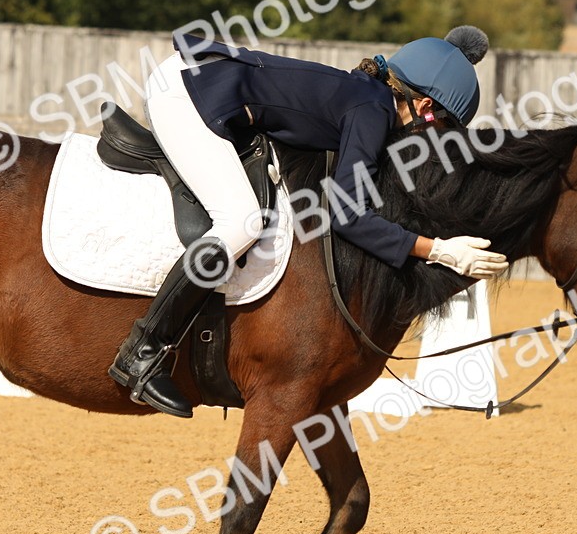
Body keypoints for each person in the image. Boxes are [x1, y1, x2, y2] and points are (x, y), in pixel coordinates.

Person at [108, 26, 510, 417]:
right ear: (425, 108)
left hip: (198, 80)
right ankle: (141, 351)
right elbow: (347, 215)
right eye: (442, 129)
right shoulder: (372, 112)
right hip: (185, 95)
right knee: (241, 222)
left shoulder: (369, 98)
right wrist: (437, 249)